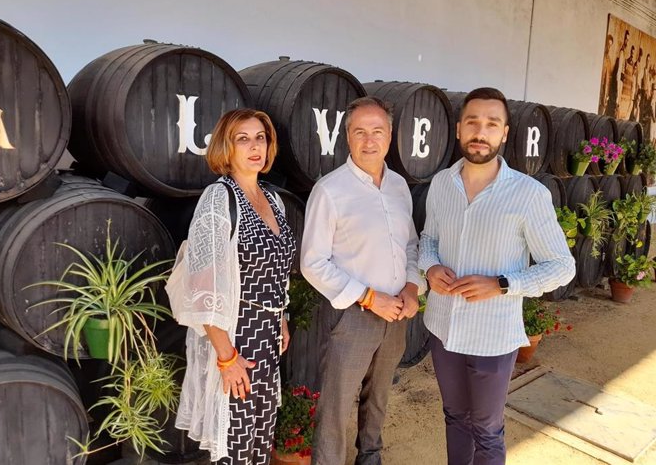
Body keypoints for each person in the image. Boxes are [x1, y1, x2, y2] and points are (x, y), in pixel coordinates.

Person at [419, 87, 575, 465]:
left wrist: (503, 284)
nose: (480, 131)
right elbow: (428, 240)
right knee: (454, 417)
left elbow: (562, 266)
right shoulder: (442, 184)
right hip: (444, 327)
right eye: (473, 122)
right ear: (459, 129)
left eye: (492, 124)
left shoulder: (528, 194)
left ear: (504, 134)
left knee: (487, 429)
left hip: (493, 336)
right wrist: (431, 266)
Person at [301, 96, 425, 465]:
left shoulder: (399, 186)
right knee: (338, 404)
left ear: (390, 136)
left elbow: (410, 243)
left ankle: (369, 457)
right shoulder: (330, 190)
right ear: (348, 138)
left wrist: (412, 286)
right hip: (353, 315)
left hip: (398, 311)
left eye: (377, 131)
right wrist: (369, 298)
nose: (369, 140)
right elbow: (312, 262)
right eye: (360, 132)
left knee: (379, 396)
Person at [174, 108, 296, 464]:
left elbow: (277, 268)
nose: (254, 146)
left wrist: (282, 316)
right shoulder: (220, 199)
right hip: (235, 335)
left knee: (260, 435)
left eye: (260, 137)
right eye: (243, 139)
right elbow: (201, 287)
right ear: (227, 148)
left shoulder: (273, 200)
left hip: (267, 333)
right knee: (235, 444)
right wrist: (226, 357)